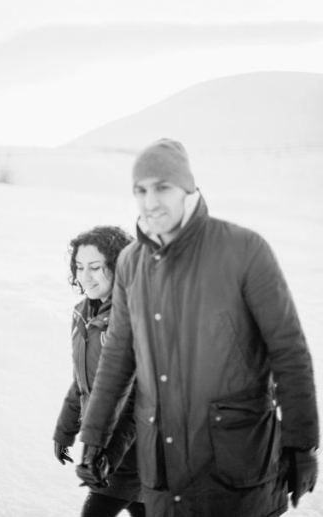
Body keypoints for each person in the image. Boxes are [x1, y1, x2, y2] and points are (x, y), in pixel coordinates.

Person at [76, 139, 319, 517]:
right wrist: (94, 439)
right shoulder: (130, 263)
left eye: (162, 187)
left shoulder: (244, 249)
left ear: (188, 189)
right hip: (163, 475)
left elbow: (289, 352)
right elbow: (117, 360)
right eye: (141, 190)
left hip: (236, 471)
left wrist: (302, 446)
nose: (150, 200)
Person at [53, 225, 145, 517]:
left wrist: (105, 453)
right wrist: (65, 431)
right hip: (108, 447)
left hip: (139, 448)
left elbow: (138, 397)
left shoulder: (132, 317)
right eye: (79, 267)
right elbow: (83, 380)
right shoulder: (84, 313)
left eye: (95, 267)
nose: (85, 276)